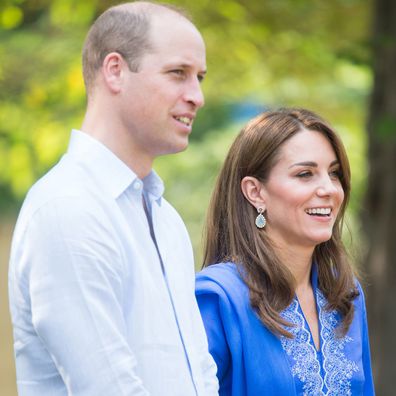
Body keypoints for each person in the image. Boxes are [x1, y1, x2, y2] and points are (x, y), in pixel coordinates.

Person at [8, 2, 218, 395]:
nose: (197, 96)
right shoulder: (68, 208)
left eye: (200, 78)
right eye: (178, 73)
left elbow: (200, 375)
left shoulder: (165, 218)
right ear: (115, 70)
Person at [195, 108, 375, 395]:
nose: (328, 189)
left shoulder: (344, 294)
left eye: (334, 173)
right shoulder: (217, 297)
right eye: (305, 174)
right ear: (255, 192)